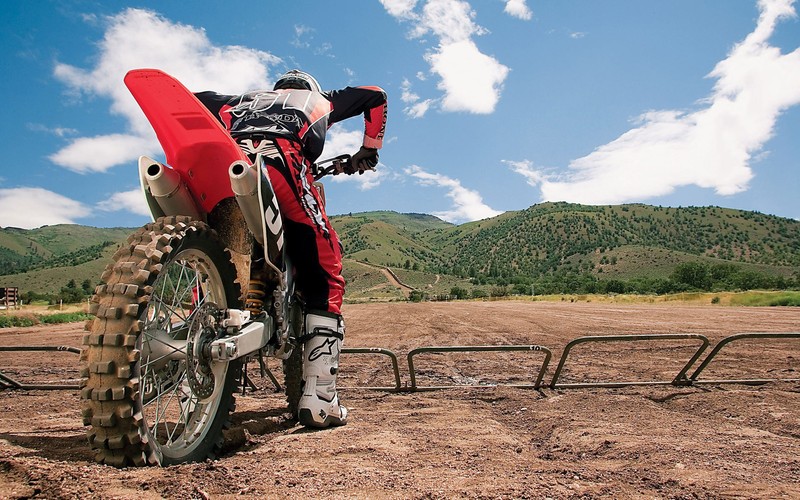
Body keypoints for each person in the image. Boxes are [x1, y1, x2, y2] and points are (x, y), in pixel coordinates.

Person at [195, 70, 387, 428]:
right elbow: (374, 94)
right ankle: (321, 398)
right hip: (281, 166)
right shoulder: (319, 99)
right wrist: (368, 149)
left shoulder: (238, 101)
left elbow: (188, 100)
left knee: (206, 259)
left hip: (224, 170)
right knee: (326, 267)